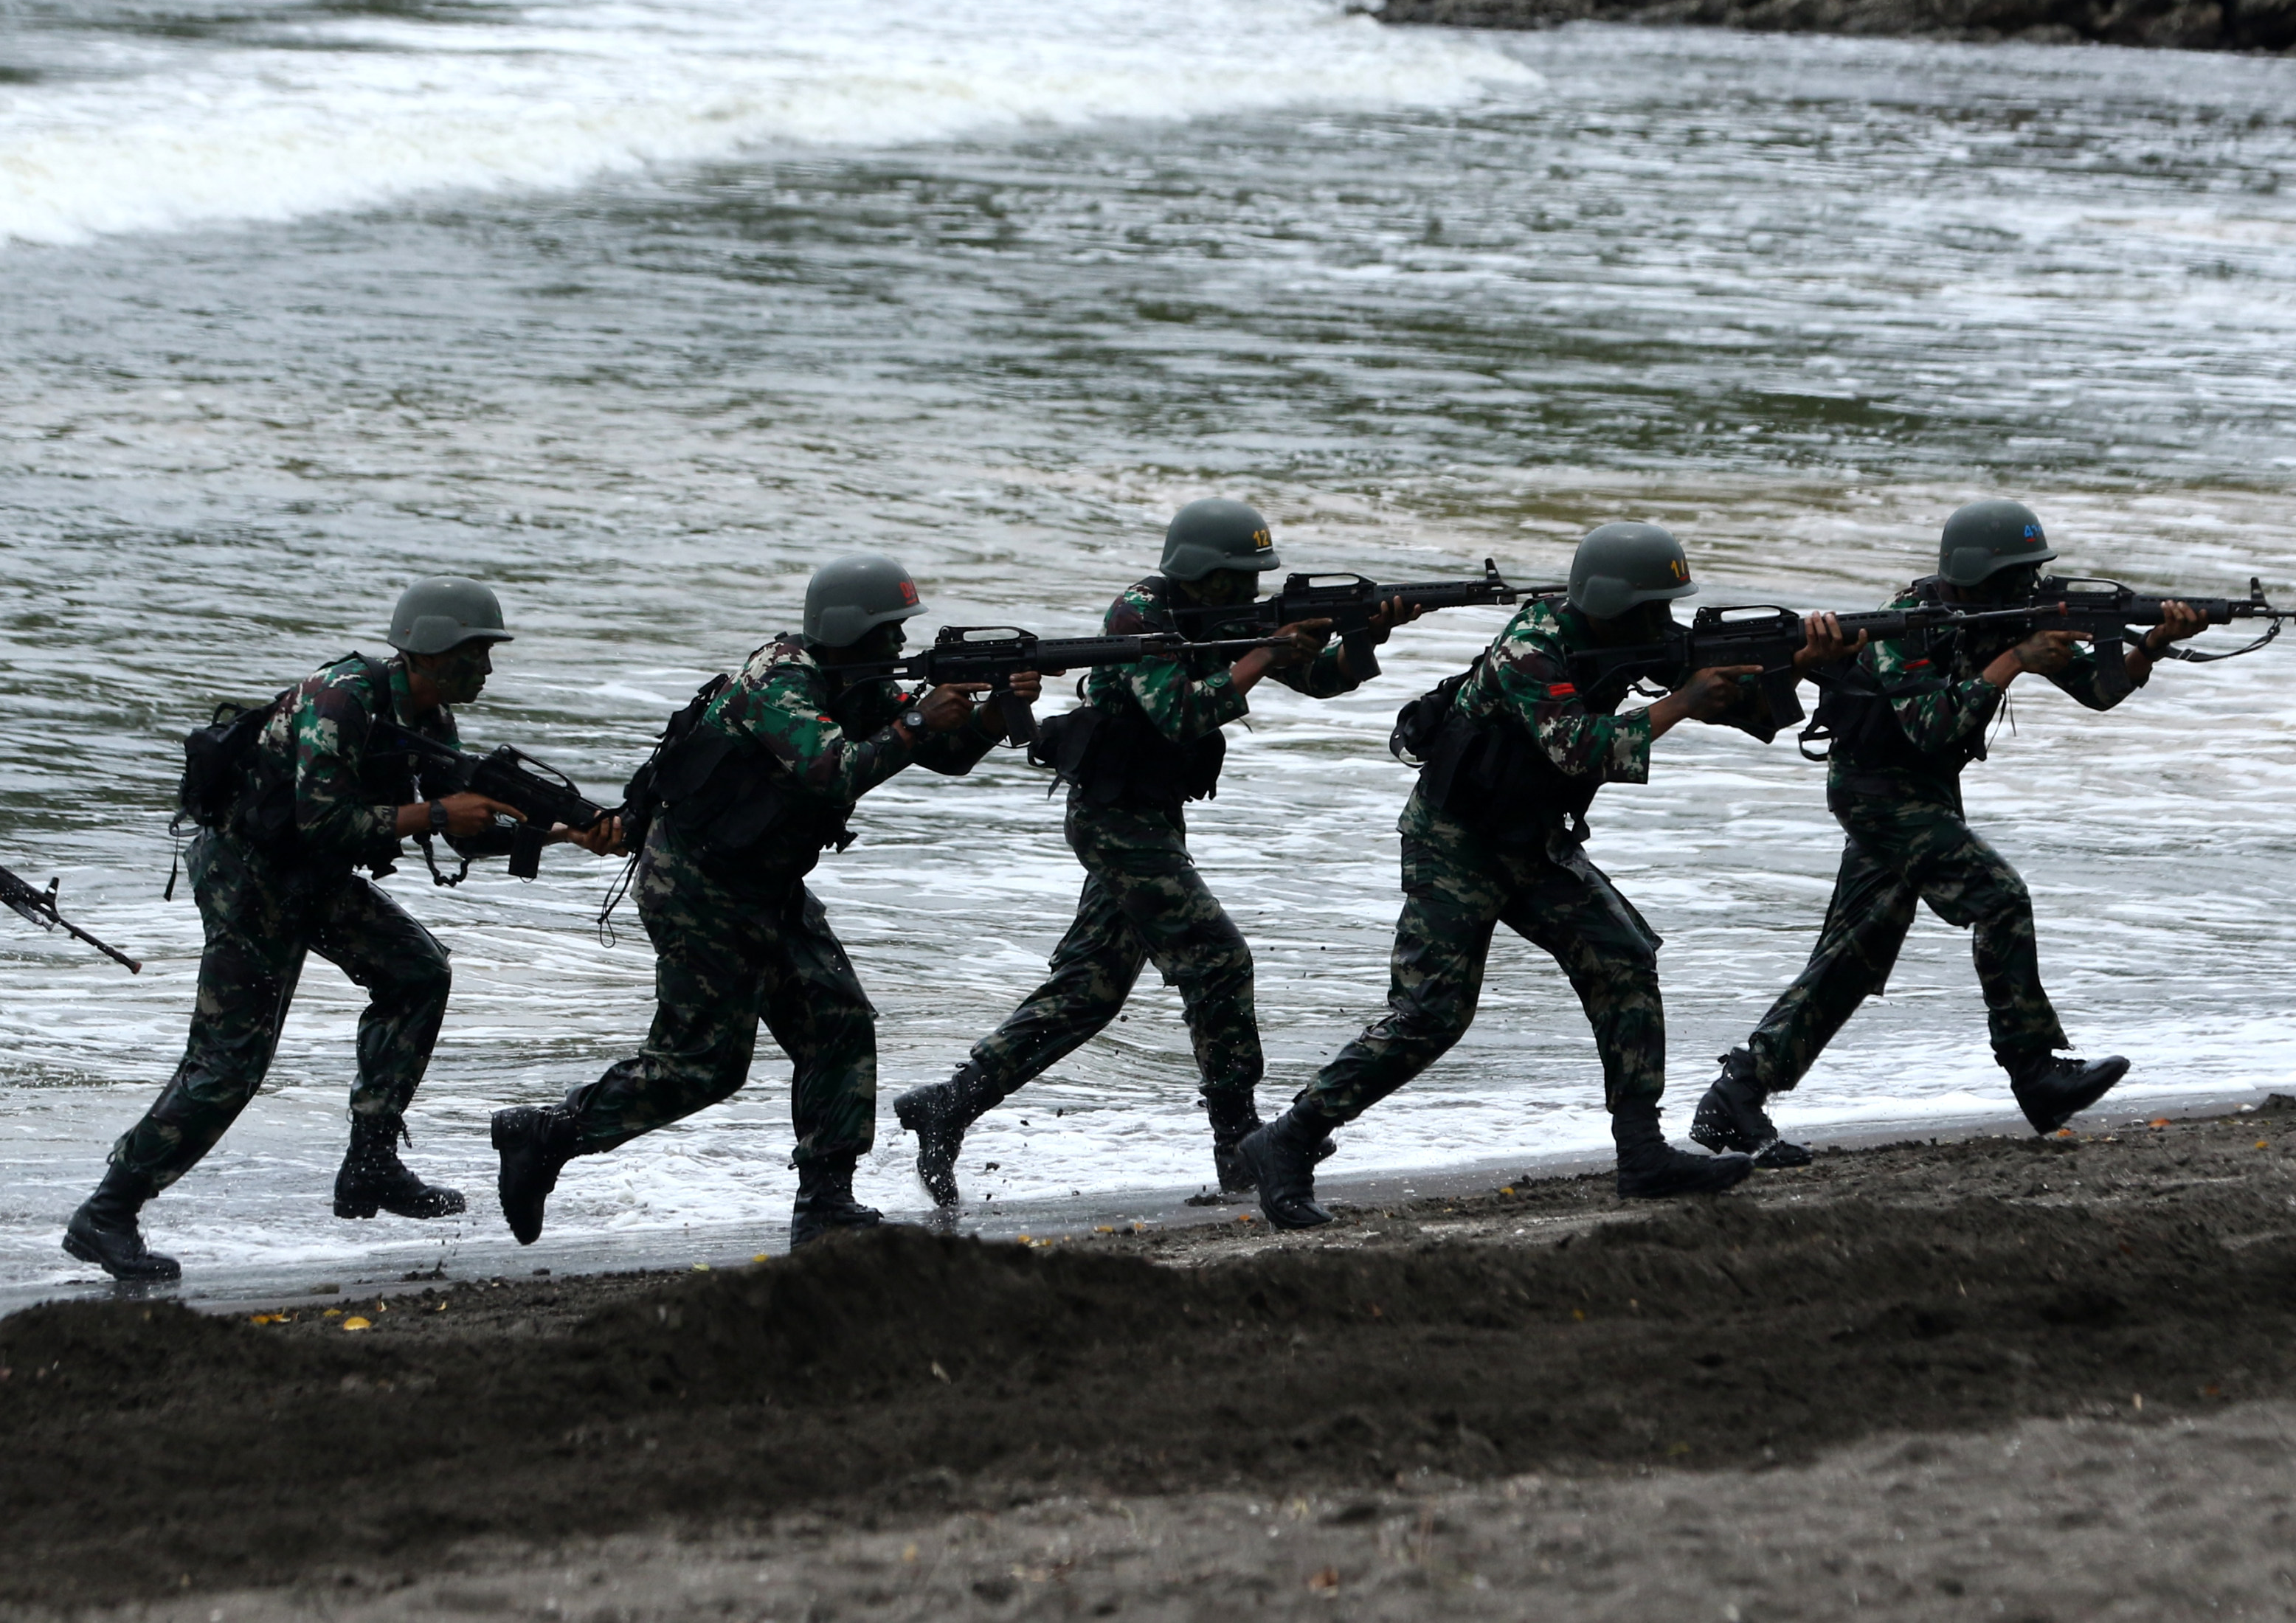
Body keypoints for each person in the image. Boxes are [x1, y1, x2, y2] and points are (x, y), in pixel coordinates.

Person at [1240, 522, 1854, 1229]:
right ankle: (1286, 1140)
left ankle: (1642, 1152)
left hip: (1533, 841)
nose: (1664, 622)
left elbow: (1729, 703)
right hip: (1457, 841)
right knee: (1433, 1014)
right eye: (1652, 608)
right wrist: (1682, 702)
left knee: (1622, 956)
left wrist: (1799, 664)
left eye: (1667, 608)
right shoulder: (1533, 646)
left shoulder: (1628, 637)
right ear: (1610, 602)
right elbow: (1578, 748)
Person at [64, 579, 624, 1282]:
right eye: (475, 653)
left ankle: (370, 1164)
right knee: (229, 1062)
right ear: (429, 651)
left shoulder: (428, 718)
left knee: (418, 973)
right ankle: (107, 1212)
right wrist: (439, 815)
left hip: (311, 878)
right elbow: (323, 821)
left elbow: (463, 832)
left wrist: (568, 832)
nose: (486, 669)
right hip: (249, 878)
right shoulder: (341, 700)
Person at [486, 556, 1035, 1251]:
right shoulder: (778, 681)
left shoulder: (857, 682)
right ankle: (546, 1134)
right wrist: (917, 725)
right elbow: (833, 771)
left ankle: (826, 1203)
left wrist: (990, 714)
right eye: (886, 632)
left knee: (837, 1021)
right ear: (846, 631)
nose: (898, 647)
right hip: (696, 884)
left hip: (764, 882)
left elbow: (947, 756)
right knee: (702, 1066)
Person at [893, 499, 1408, 1206]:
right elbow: (1181, 712)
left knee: (1089, 991)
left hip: (1151, 816)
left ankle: (949, 1104)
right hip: (1114, 818)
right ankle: (1239, 1144)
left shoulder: (1223, 620)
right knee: (1220, 961)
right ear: (1197, 572)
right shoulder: (1142, 614)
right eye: (1233, 579)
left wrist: (1362, 635)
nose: (1246, 594)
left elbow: (1327, 679)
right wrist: (1265, 651)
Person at [1689, 501, 2210, 1164]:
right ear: (1974, 576)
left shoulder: (2009, 615)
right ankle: (2036, 1073)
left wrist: (2153, 644)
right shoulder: (1907, 624)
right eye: (2014, 576)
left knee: (1851, 959)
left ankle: (1736, 1093)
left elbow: (2100, 690)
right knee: (1999, 897)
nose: (2028, 589)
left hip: (1924, 795)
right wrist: (2014, 661)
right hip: (1877, 794)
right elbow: (1932, 726)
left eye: (2032, 574)